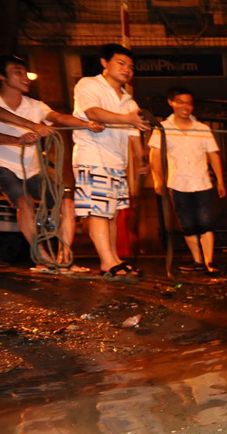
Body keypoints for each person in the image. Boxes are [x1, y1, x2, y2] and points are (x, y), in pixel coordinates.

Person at [0, 54, 103, 270]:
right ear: (2, 77)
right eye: (17, 72)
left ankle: (64, 257)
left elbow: (58, 117)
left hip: (34, 169)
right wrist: (24, 134)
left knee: (65, 202)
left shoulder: (35, 105)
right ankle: (42, 258)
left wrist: (86, 124)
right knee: (24, 202)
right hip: (5, 167)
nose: (25, 77)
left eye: (25, 72)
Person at [72, 43, 150, 278]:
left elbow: (134, 134)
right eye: (121, 63)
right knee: (98, 211)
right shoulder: (88, 84)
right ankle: (107, 261)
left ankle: (114, 258)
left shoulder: (129, 101)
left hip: (117, 162)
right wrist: (127, 119)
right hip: (92, 156)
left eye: (131, 66)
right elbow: (93, 112)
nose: (127, 69)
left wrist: (141, 159)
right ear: (105, 63)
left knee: (113, 213)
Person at [149, 87, 226, 274]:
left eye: (189, 103)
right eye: (180, 102)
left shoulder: (202, 129)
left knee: (206, 222)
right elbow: (155, 156)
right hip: (177, 183)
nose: (186, 106)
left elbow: (213, 155)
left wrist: (220, 181)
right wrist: (158, 180)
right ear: (171, 103)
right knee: (188, 224)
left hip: (202, 182)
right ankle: (197, 261)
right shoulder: (163, 128)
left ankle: (209, 262)